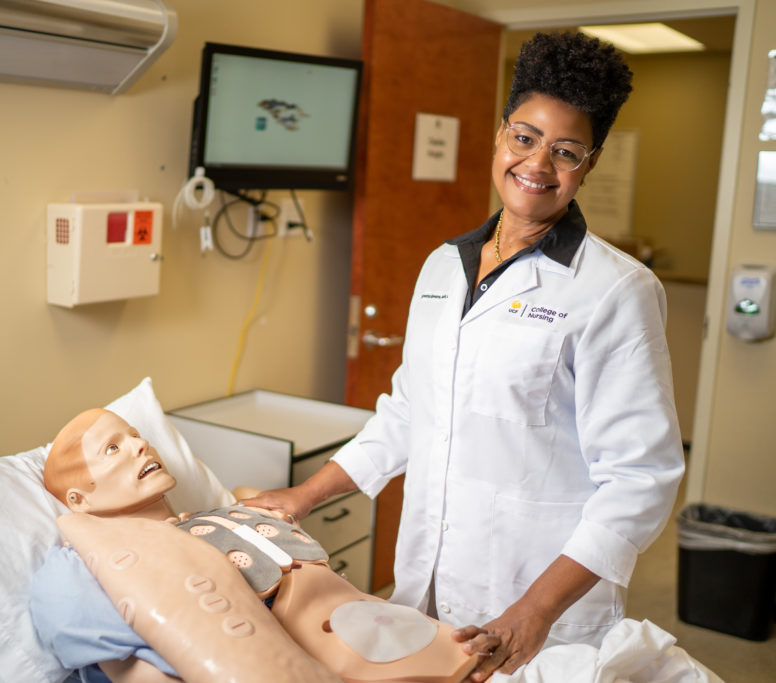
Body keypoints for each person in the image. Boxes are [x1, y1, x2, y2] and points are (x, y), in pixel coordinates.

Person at [240, 31, 685, 683]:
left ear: (589, 164)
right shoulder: (443, 266)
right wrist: (303, 495)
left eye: (565, 151)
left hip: (539, 605)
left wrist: (532, 611)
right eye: (526, 137)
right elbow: (410, 410)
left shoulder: (615, 289)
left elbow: (640, 479)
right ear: (501, 134)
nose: (538, 163)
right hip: (428, 581)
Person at [32, 408, 479, 683]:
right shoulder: (77, 571)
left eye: (134, 433)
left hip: (421, 639)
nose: (139, 444)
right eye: (113, 448)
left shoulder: (226, 513)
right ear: (79, 499)